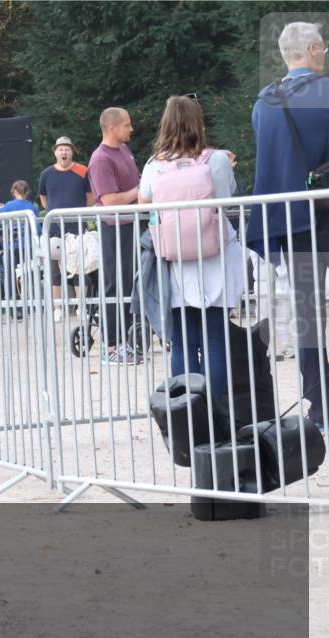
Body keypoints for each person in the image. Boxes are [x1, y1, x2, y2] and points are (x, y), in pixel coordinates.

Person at [248, 21, 329, 429]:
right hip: (324, 211)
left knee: (308, 316)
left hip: (294, 221)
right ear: (313, 49)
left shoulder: (265, 102)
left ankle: (321, 405)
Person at [138, 95, 243, 400]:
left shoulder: (154, 165)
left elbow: (146, 200)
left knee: (183, 341)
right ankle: (217, 415)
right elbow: (225, 199)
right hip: (215, 255)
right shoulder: (217, 160)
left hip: (176, 259)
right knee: (215, 338)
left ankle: (186, 414)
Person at [88, 107, 143, 365]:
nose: (131, 129)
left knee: (130, 284)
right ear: (112, 128)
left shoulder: (124, 151)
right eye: (127, 124)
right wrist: (139, 190)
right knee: (114, 284)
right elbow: (109, 201)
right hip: (113, 227)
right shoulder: (100, 159)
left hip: (131, 225)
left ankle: (127, 342)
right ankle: (111, 345)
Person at [38, 136, 95, 321]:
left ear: (72, 151)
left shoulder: (83, 171)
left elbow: (90, 197)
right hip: (55, 227)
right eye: (60, 149)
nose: (64, 152)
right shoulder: (46, 174)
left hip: (78, 226)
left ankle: (82, 307)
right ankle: (57, 308)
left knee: (80, 268)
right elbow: (44, 198)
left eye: (67, 149)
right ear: (55, 152)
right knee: (55, 270)